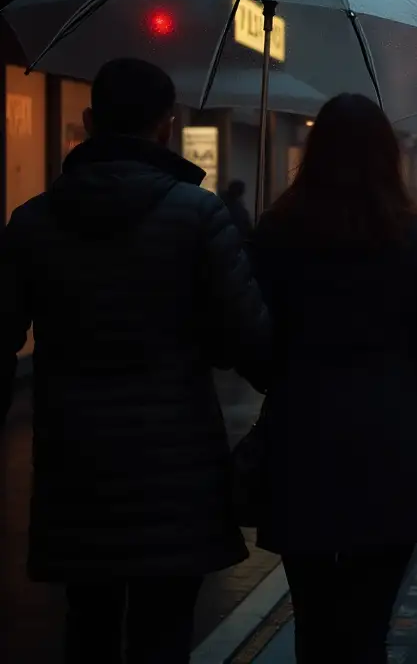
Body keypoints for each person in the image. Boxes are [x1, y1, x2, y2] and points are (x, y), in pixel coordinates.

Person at [0, 57, 271, 664]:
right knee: (163, 630)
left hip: (74, 463)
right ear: (166, 127)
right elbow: (248, 344)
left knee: (88, 623)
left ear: (90, 122)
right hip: (175, 470)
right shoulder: (199, 217)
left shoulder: (33, 222)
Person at [249, 94, 417, 664]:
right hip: (390, 439)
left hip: (302, 435)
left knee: (314, 618)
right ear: (387, 158)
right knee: (369, 624)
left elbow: (254, 351)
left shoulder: (275, 232)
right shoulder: (415, 237)